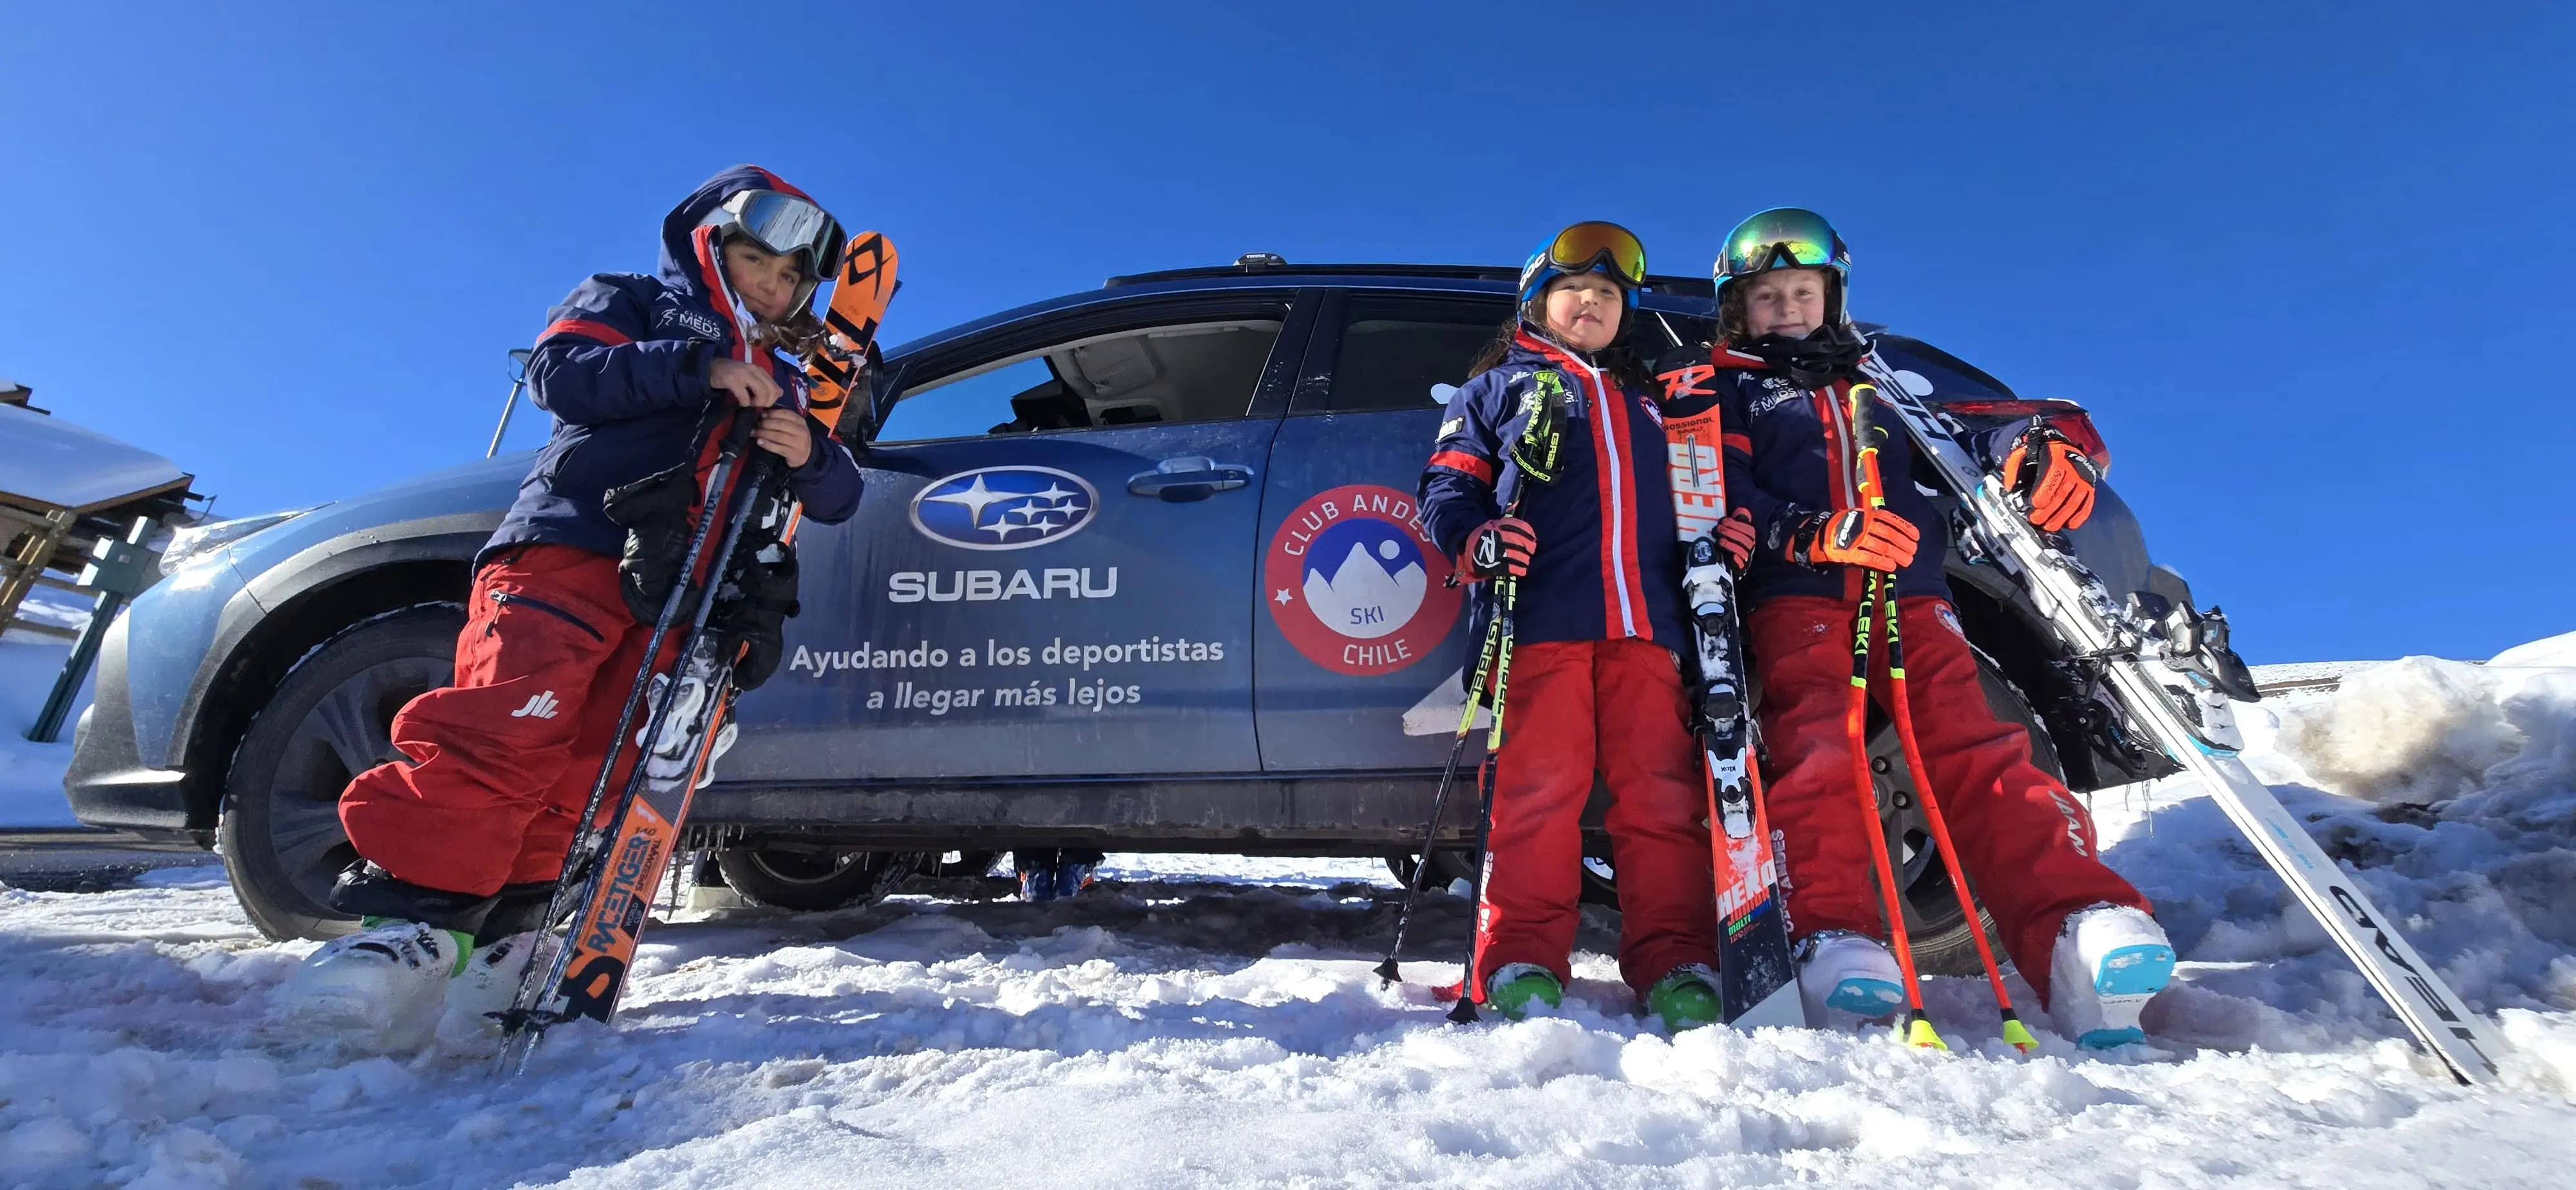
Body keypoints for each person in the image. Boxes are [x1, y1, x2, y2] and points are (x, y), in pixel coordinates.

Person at [277, 165, 867, 1051]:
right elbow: (562, 376)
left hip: (676, 592)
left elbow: (837, 498)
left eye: (791, 280)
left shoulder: (783, 379)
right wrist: (697, 368)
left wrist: (809, 452)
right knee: (506, 728)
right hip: (572, 551)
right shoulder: (633, 301)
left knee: (594, 767)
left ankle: (506, 943)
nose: (774, 287)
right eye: (758, 262)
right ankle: (407, 926)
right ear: (711, 246)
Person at [1654, 207, 2173, 1047]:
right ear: (1736, 308)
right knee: (1820, 754)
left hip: (1913, 594)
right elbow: (1717, 496)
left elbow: (1971, 432)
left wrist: (2031, 448)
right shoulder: (1723, 390)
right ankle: (1837, 939)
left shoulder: (1880, 382)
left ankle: (2077, 926)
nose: (1786, 308)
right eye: (1767, 296)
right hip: (1802, 595)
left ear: (1833, 296)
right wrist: (1814, 532)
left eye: (1802, 291)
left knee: (1977, 748)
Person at [1417, 222, 1724, 1030]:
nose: (1591, 301)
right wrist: (1476, 539)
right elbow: (1445, 492)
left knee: (1660, 800)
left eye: (1609, 294)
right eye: (1573, 290)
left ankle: (1676, 958)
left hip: (1648, 632)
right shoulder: (1495, 392)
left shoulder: (1655, 403)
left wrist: (1722, 540)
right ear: (1535, 304)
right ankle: (1519, 955)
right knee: (1537, 795)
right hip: (1540, 624)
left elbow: (1701, 506)